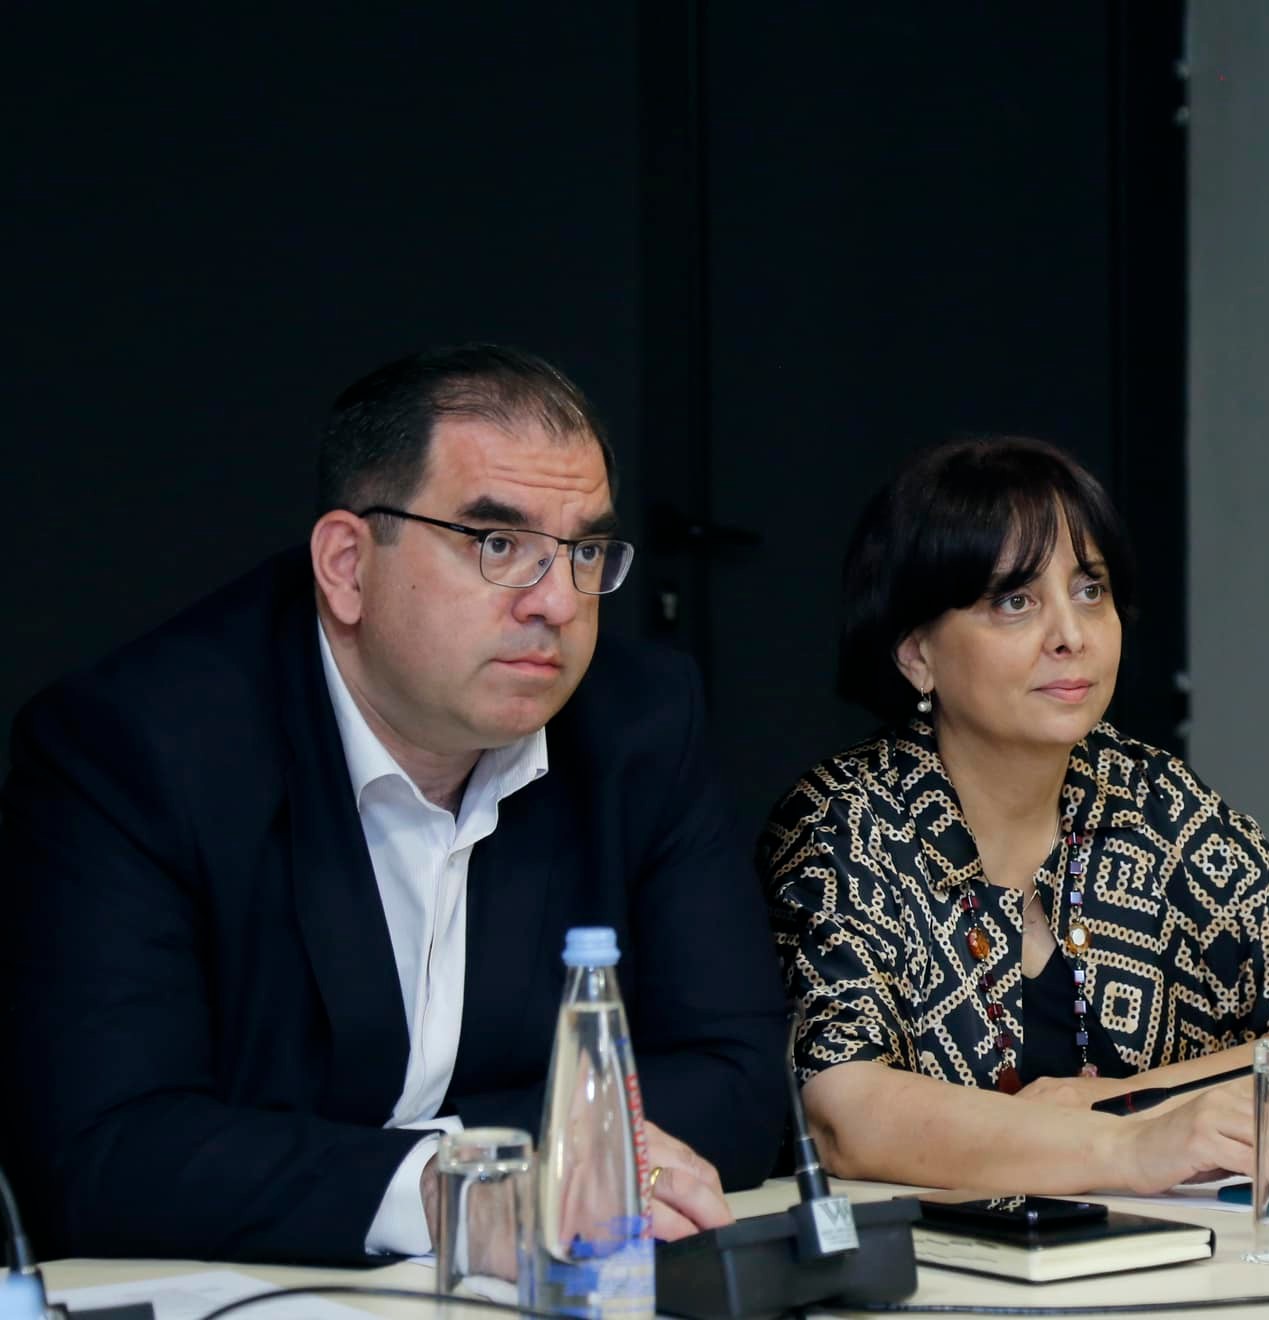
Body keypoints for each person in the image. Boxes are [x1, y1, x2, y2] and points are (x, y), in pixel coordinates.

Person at [0, 344, 787, 1265]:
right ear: (346, 564)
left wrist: (472, 1164)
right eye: (498, 545)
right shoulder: (140, 748)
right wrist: (454, 1186)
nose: (557, 603)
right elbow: (106, 1151)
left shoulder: (637, 724)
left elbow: (738, 1085)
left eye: (583, 552)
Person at [760, 437, 1269, 1193]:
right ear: (917, 655)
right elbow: (844, 1113)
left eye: (1090, 590)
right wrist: (1128, 1147)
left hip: (1171, 1250)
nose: (1071, 635)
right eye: (1015, 601)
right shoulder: (844, 825)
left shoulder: (1152, 800)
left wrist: (1119, 1104)